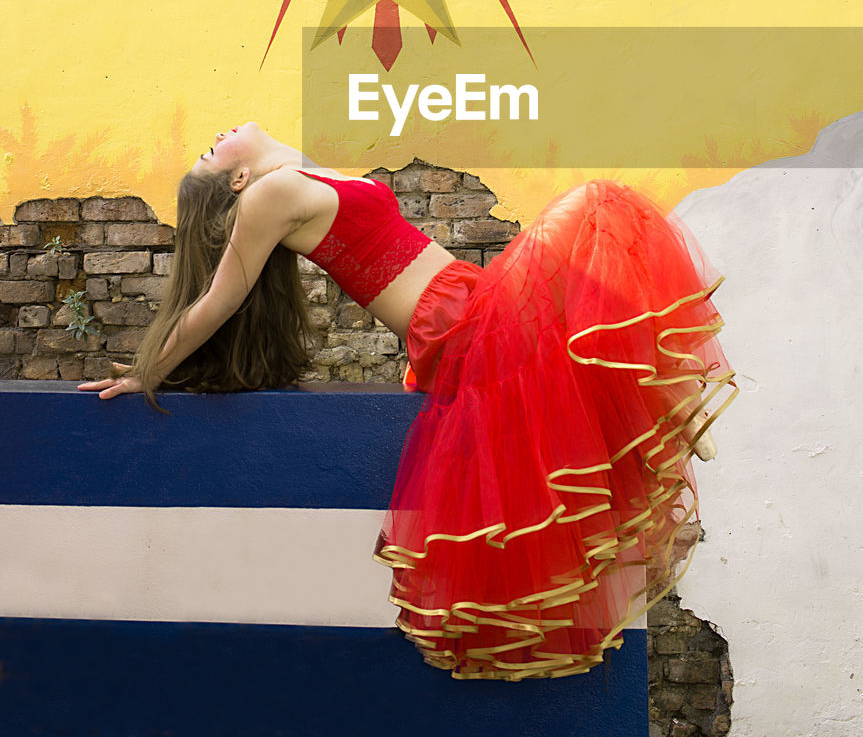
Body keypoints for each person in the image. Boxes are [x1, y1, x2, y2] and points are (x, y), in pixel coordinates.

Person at [78, 122, 736, 680]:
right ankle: (665, 403)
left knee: (583, 316)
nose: (215, 136)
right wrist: (149, 369)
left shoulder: (300, 178)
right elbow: (220, 298)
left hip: (467, 304)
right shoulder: (271, 195)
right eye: (206, 156)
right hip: (458, 323)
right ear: (239, 184)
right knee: (600, 205)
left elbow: (306, 181)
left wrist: (270, 148)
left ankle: (662, 405)